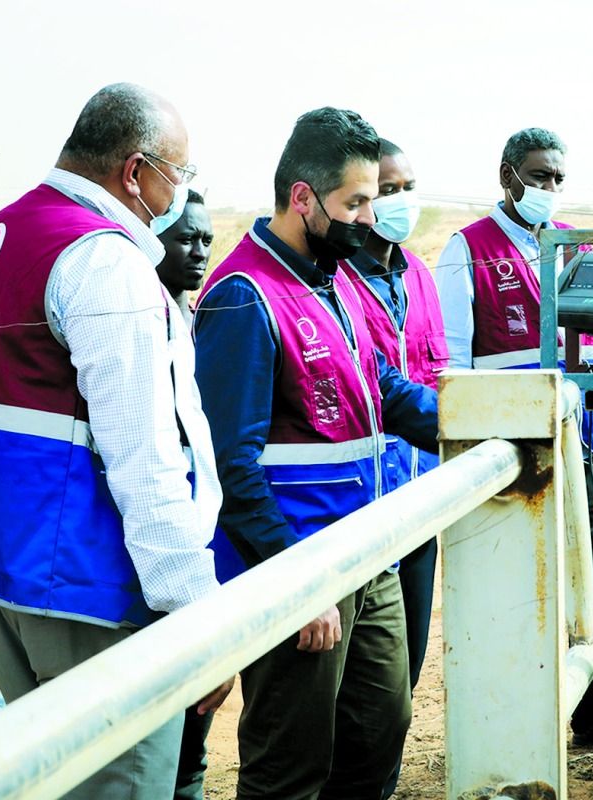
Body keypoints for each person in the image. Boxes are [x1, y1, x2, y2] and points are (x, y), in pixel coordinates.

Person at [0, 83, 230, 798]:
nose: (180, 191)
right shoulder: (104, 260)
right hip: (95, 590)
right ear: (135, 170)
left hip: (10, 580)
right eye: (179, 174)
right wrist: (196, 620)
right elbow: (145, 455)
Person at [193, 108, 438, 799]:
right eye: (355, 202)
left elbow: (381, 386)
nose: (369, 217)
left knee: (377, 740)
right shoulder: (244, 298)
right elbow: (229, 467)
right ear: (303, 198)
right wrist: (296, 584)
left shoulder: (333, 281)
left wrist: (469, 424)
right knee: (291, 769)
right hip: (298, 573)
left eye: (373, 200)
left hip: (369, 557)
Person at [435, 127, 593, 751]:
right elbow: (454, 365)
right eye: (539, 176)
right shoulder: (468, 251)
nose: (549, 189)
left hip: (579, 437)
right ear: (507, 175)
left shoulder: (570, 246)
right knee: (516, 582)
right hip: (510, 451)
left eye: (557, 179)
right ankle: (507, 721)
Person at [336, 139, 447, 797]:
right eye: (387, 191)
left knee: (403, 668)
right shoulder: (336, 282)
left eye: (409, 187)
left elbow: (435, 370)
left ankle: (382, 780)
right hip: (359, 499)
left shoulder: (418, 274)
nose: (402, 202)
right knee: (356, 681)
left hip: (421, 490)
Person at [151, 188, 221, 800]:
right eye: (185, 238)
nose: (199, 252)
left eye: (206, 239)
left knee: (195, 729)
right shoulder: (137, 321)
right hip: (160, 543)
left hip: (204, 533)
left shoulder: (197, 316)